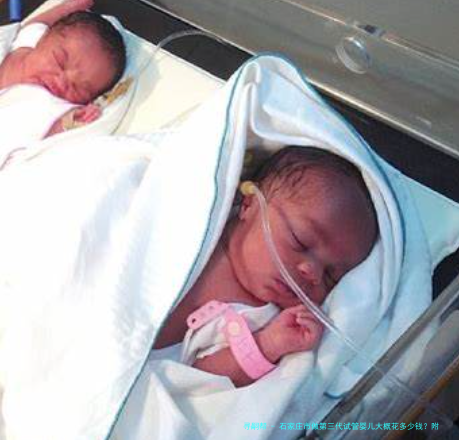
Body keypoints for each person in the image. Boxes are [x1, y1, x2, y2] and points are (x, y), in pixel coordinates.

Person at [154, 146, 378, 387]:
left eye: (330, 276)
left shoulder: (265, 319)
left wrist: (268, 344)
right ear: (250, 204)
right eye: (300, 241)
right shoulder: (201, 218)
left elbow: (200, 379)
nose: (312, 273)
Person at [0, 0, 127, 132]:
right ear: (41, 39)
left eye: (77, 88)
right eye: (59, 62)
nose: (61, 82)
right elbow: (35, 25)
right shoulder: (21, 48)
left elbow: (47, 133)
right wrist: (67, 7)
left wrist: (75, 120)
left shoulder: (48, 109)